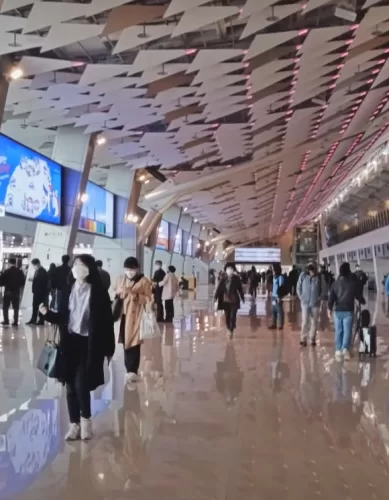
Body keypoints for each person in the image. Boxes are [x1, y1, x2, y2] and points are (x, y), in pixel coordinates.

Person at [39, 254, 115, 441]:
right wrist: (47, 314)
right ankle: (74, 425)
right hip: (69, 342)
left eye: (81, 265)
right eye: (75, 265)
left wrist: (107, 348)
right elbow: (63, 317)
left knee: (82, 384)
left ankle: (86, 421)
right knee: (70, 386)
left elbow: (106, 322)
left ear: (89, 268)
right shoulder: (68, 289)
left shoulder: (98, 292)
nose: (77, 268)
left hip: (88, 345)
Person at [115, 257, 153, 383]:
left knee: (134, 344)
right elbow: (114, 292)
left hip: (136, 316)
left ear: (137, 269)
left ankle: (133, 370)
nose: (129, 271)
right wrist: (119, 292)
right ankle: (128, 369)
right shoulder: (121, 279)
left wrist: (134, 294)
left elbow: (149, 299)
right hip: (124, 316)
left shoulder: (144, 281)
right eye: (127, 269)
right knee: (125, 343)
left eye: (132, 269)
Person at [328, 262, 364, 361]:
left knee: (338, 331)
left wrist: (329, 308)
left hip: (338, 310)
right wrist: (362, 300)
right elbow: (358, 296)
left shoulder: (335, 283)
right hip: (348, 310)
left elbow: (331, 297)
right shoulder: (352, 284)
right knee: (347, 331)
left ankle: (338, 350)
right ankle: (345, 349)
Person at [214, 263, 244, 339]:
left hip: (234, 301)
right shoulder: (223, 279)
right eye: (228, 268)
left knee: (233, 316)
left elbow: (240, 289)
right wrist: (215, 297)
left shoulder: (236, 279)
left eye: (231, 268)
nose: (229, 270)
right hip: (225, 301)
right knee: (227, 316)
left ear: (233, 270)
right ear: (226, 270)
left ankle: (231, 330)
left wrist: (242, 297)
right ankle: (229, 327)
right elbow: (219, 289)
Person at [297, 262, 322, 347]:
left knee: (314, 322)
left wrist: (319, 297)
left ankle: (312, 339)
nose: (312, 272)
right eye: (310, 270)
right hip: (305, 303)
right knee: (304, 321)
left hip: (315, 304)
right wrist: (301, 297)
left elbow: (323, 288)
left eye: (313, 270)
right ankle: (303, 339)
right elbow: (298, 287)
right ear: (308, 269)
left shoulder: (319, 277)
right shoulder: (303, 276)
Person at [0, 258, 25, 326]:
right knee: (16, 307)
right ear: (15, 263)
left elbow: (1, 282)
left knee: (5, 307)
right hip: (16, 292)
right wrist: (17, 286)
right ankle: (15, 322)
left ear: (9, 263)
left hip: (8, 292)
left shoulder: (6, 271)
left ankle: (6, 321)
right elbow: (23, 281)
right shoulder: (19, 271)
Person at [27, 258, 48, 326]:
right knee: (35, 306)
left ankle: (41, 320)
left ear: (38, 264)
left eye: (34, 265)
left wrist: (34, 280)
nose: (34, 266)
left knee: (40, 306)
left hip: (40, 292)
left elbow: (42, 282)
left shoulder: (42, 271)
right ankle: (33, 319)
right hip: (36, 292)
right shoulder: (37, 271)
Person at [269, 262, 285, 330]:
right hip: (273, 296)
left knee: (279, 310)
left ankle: (280, 325)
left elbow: (281, 287)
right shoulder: (274, 276)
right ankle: (273, 324)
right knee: (273, 310)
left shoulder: (280, 277)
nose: (272, 270)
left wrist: (279, 296)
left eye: (273, 268)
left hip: (278, 296)